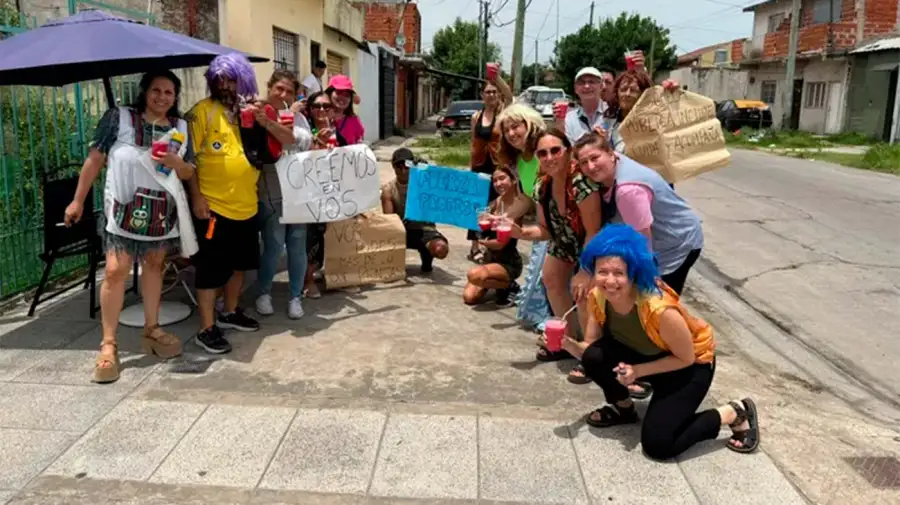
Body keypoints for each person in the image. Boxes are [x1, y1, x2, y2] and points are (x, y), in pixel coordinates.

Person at [565, 224, 759, 459]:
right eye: (602, 272)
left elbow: (686, 358)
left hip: (690, 365)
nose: (610, 280)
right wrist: (567, 345)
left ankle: (734, 412)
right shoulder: (598, 296)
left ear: (634, 273)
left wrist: (637, 371)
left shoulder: (658, 308)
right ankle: (624, 409)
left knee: (658, 445)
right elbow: (591, 347)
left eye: (619, 273)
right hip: (646, 356)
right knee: (594, 356)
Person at [63, 70, 197, 384]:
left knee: (154, 267)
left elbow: (190, 172)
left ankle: (151, 329)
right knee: (115, 270)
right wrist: (77, 200)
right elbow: (95, 158)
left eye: (169, 92)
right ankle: (108, 344)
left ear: (175, 98)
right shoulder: (118, 118)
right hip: (122, 211)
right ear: (144, 91)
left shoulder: (180, 128)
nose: (162, 97)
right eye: (156, 90)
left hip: (161, 214)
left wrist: (178, 164)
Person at [186, 53, 278, 354]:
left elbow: (273, 150)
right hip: (213, 209)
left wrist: (262, 120)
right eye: (218, 80)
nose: (224, 85)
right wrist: (197, 197)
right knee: (211, 271)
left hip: (247, 206)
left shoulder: (252, 113)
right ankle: (206, 328)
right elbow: (190, 161)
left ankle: (230, 311)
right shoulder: (202, 112)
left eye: (231, 79)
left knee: (240, 267)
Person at [508, 129, 601, 384]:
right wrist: (521, 232)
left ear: (568, 151)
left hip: (591, 245)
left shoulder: (581, 184)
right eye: (542, 153)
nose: (549, 157)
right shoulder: (543, 185)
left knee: (582, 293)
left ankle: (589, 355)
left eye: (555, 150)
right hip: (563, 243)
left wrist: (585, 270)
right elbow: (545, 229)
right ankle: (565, 341)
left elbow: (593, 231)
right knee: (550, 280)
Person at [573, 132, 703, 295]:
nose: (591, 166)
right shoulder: (612, 166)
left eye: (595, 158)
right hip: (659, 238)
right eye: (584, 162)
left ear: (611, 154)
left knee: (657, 303)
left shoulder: (628, 191)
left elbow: (642, 241)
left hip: (677, 243)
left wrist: (648, 276)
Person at [255, 70, 314, 319]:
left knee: (298, 246)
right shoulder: (256, 112)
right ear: (269, 88)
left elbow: (300, 142)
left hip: (298, 191)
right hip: (271, 192)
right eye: (279, 88)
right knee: (274, 245)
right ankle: (264, 292)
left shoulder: (297, 118)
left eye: (289, 91)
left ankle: (295, 297)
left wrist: (272, 124)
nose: (283, 94)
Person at [463, 165, 530, 306]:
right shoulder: (495, 203)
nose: (498, 183)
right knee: (469, 297)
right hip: (490, 259)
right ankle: (497, 283)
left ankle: (510, 286)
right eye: (494, 180)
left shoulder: (520, 203)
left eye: (502, 178)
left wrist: (483, 242)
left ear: (514, 180)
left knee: (474, 275)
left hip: (508, 261)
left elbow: (501, 243)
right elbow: (480, 222)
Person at [301, 91, 343, 299]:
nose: (322, 110)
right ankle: (307, 280)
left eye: (327, 107)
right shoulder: (304, 130)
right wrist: (317, 141)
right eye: (317, 106)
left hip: (331, 193)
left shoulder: (339, 133)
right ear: (310, 109)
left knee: (325, 234)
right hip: (307, 193)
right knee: (310, 236)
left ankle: (325, 273)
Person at [467, 73, 513, 262]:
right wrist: (469, 167)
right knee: (477, 206)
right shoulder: (476, 117)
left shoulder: (503, 115)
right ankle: (474, 246)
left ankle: (490, 245)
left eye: (494, 92)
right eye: (488, 92)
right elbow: (473, 142)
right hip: (478, 167)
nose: (491, 95)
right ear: (482, 95)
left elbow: (510, 96)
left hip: (496, 167)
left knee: (495, 206)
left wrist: (497, 78)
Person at [381, 148, 449, 273]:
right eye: (398, 167)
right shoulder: (388, 190)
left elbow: (441, 194)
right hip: (402, 230)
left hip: (424, 230)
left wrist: (426, 173)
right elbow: (390, 221)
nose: (403, 171)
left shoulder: (424, 184)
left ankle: (427, 259)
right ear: (393, 167)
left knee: (441, 249)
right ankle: (394, 263)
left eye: (406, 167)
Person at [561, 66, 615, 145]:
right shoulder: (569, 119)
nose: (587, 86)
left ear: (601, 86)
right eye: (582, 83)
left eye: (592, 82)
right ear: (575, 89)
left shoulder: (613, 113)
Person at [326, 75, 365, 145]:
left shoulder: (355, 122)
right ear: (329, 93)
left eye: (347, 95)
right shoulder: (319, 116)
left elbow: (358, 147)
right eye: (338, 92)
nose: (342, 97)